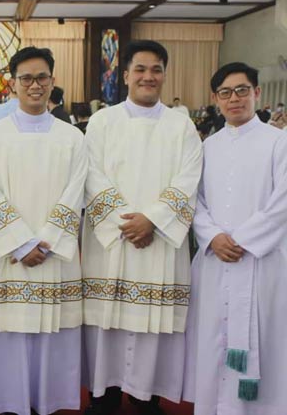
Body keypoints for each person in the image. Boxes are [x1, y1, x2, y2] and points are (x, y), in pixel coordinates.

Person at [82, 40, 202, 415]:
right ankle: (104, 394)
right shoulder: (102, 122)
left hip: (159, 240)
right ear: (125, 75)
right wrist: (126, 222)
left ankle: (145, 394)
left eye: (156, 70)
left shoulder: (182, 126)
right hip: (113, 240)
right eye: (140, 69)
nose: (148, 76)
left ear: (164, 75)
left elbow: (188, 179)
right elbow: (91, 174)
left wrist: (153, 220)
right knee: (108, 323)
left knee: (152, 325)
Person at [0, 46, 87, 415]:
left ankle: (48, 402)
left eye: (42, 78)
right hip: (13, 257)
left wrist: (48, 240)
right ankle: (9, 402)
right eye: (26, 78)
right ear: (12, 83)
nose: (34, 85)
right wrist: (21, 243)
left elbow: (76, 191)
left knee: (54, 338)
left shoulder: (72, 137)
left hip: (54, 255)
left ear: (53, 81)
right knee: (10, 336)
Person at [184, 62, 287, 415]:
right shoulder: (208, 146)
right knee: (214, 339)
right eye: (225, 93)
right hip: (216, 261)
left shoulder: (278, 141)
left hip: (262, 261)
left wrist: (241, 240)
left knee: (265, 340)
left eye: (242, 90)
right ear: (216, 99)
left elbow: (282, 202)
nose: (234, 99)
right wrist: (212, 236)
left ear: (256, 93)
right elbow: (194, 200)